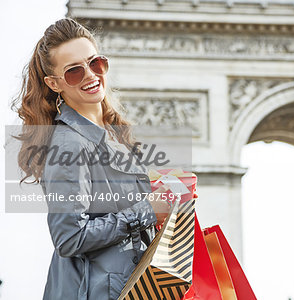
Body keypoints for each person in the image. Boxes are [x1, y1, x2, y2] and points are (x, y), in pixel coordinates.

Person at [13, 17, 179, 299]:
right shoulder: (68, 144)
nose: (90, 75)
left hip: (129, 285)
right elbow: (69, 238)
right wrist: (146, 210)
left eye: (95, 63)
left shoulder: (111, 133)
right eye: (74, 72)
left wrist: (166, 199)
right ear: (54, 83)